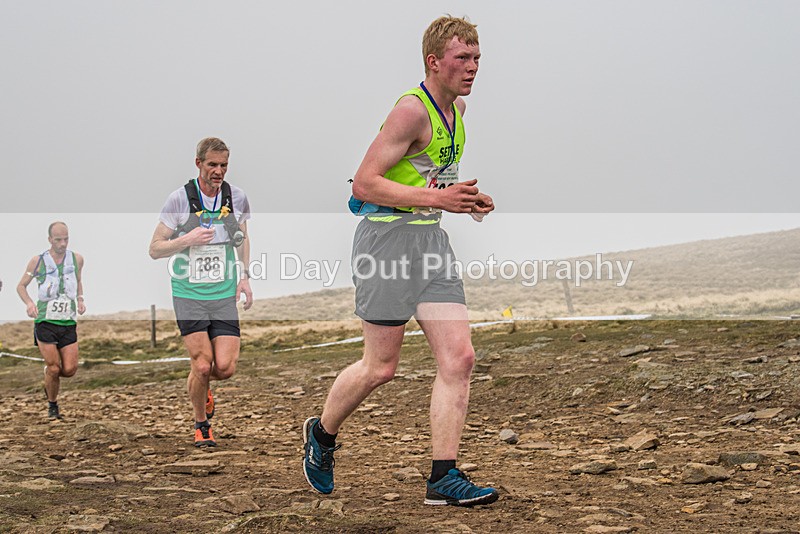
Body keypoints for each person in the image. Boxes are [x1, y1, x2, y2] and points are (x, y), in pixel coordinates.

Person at [303, 16, 497, 506]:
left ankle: (443, 478)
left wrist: (462, 200)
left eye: (476, 58)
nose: (472, 68)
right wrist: (438, 201)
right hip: (385, 247)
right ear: (434, 62)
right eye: (462, 59)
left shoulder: (459, 110)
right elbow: (365, 183)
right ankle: (321, 436)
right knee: (380, 366)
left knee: (461, 358)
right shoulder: (412, 110)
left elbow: (428, 180)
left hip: (430, 246)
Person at [149, 137, 253, 447]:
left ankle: (203, 388)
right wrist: (187, 239)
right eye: (212, 165)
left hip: (223, 294)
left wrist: (244, 276)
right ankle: (201, 424)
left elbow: (243, 238)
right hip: (188, 293)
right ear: (199, 164)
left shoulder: (237, 198)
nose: (218, 171)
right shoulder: (179, 200)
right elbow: (154, 249)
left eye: (223, 165)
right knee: (202, 364)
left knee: (225, 367)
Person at [16, 222, 86, 420]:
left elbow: (79, 280)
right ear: (50, 240)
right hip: (45, 320)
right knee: (54, 367)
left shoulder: (77, 259)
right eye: (58, 240)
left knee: (70, 369)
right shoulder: (37, 261)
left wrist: (80, 299)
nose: (63, 244)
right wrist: (29, 304)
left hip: (68, 321)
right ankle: (52, 406)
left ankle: (49, 376)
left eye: (66, 239)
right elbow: (21, 286)